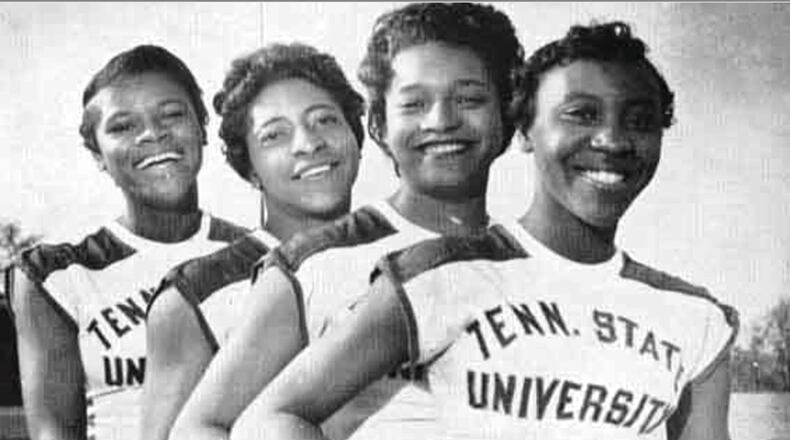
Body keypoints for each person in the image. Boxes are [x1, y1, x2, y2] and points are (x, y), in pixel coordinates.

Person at [247, 21, 739, 440]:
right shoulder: (439, 273)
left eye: (640, 120)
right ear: (523, 132)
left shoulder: (696, 318)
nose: (611, 139)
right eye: (581, 114)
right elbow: (272, 417)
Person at [168, 3, 525, 440]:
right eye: (414, 103)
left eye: (469, 99)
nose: (442, 121)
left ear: (508, 113)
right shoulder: (312, 263)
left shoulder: (526, 263)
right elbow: (202, 426)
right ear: (377, 125)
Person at [8, 45, 248, 440]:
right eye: (122, 126)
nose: (152, 133)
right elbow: (53, 433)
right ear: (98, 154)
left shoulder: (258, 255)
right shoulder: (59, 275)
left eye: (172, 114)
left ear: (202, 127)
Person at [141, 42, 364, 440]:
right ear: (250, 168)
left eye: (326, 120)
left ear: (355, 135)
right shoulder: (193, 295)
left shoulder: (406, 254)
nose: (308, 143)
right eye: (275, 135)